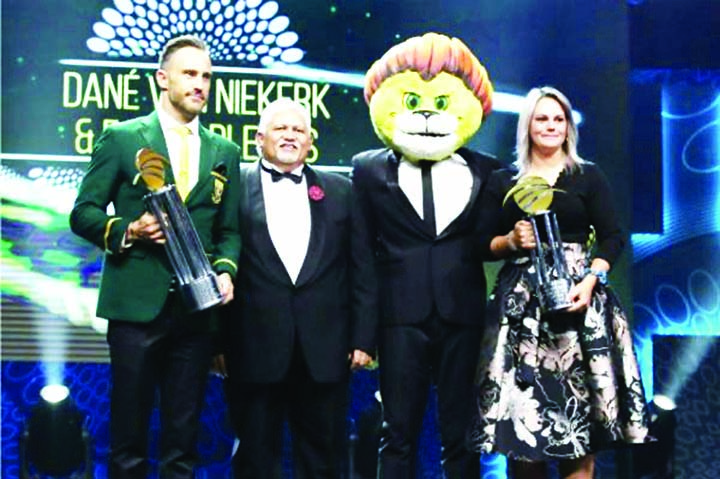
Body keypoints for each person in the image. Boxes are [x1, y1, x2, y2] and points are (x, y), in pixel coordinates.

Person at [69, 35, 241, 478]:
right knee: (128, 437)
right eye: (190, 74)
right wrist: (127, 230)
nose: (200, 84)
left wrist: (225, 271)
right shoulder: (124, 138)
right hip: (136, 308)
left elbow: (229, 232)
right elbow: (82, 213)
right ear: (163, 79)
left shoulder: (225, 152)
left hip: (196, 313)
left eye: (206, 76)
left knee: (182, 441)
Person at [468, 86, 649, 478]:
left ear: (568, 126)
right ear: (527, 126)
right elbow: (480, 243)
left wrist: (591, 279)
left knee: (581, 438)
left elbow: (613, 236)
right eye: (542, 118)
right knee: (523, 442)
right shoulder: (503, 181)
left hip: (579, 308)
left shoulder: (587, 176)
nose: (551, 126)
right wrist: (510, 241)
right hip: (521, 314)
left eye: (558, 119)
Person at [351, 33, 502, 478]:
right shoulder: (368, 168)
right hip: (400, 317)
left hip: (464, 315)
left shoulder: (487, 169)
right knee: (397, 432)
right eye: (414, 98)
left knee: (462, 432)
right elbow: (362, 255)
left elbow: (491, 239)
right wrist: (364, 335)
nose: (426, 112)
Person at [221, 98, 378, 479]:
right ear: (258, 138)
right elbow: (221, 261)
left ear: (310, 142)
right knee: (254, 460)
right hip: (252, 348)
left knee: (324, 460)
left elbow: (362, 269)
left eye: (298, 130)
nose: (290, 135)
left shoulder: (342, 191)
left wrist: (363, 338)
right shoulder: (231, 188)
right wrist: (216, 343)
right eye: (280, 128)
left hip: (325, 351)